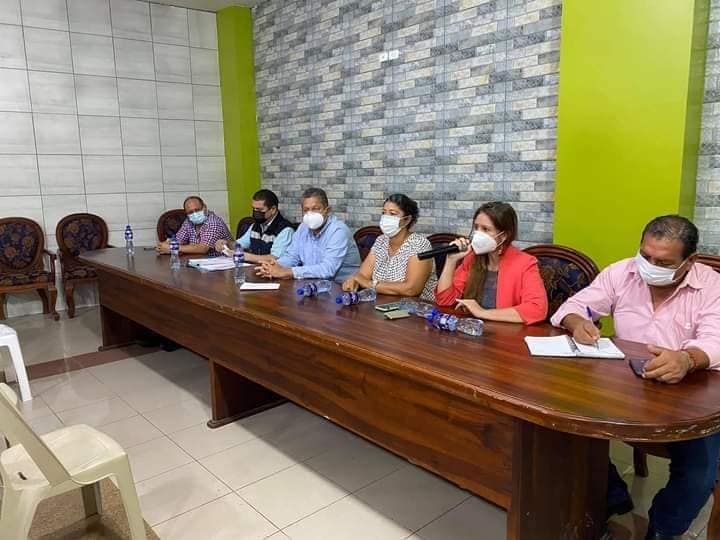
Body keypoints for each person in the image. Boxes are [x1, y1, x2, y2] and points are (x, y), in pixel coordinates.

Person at [550, 215, 720, 540]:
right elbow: (575, 306)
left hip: (690, 392)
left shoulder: (712, 286)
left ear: (690, 261)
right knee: (564, 428)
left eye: (663, 262)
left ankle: (663, 528)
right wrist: (577, 322)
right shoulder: (622, 272)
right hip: (623, 384)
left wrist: (687, 358)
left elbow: (716, 339)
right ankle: (615, 501)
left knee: (699, 473)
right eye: (646, 255)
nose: (650, 267)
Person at [434, 201, 548, 324]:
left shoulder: (525, 263)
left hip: (504, 332)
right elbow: (444, 300)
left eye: (485, 229)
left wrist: (482, 313)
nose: (478, 234)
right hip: (472, 329)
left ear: (504, 236)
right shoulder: (472, 257)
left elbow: (537, 309)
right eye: (476, 227)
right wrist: (451, 260)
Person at [342, 193, 436, 300]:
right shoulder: (381, 240)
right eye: (384, 213)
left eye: (392, 214)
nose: (386, 217)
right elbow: (362, 275)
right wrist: (354, 281)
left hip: (417, 307)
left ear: (407, 220)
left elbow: (411, 289)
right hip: (381, 304)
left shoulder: (419, 244)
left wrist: (370, 284)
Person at [256, 187, 361, 282]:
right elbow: (292, 256)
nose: (310, 214)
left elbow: (328, 269)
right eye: (306, 210)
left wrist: (288, 272)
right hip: (313, 284)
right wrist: (274, 266)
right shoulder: (303, 228)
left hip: (343, 288)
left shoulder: (338, 231)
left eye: (315, 209)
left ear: (327, 210)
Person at [215, 189, 294, 263]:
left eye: (260, 210)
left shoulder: (285, 230)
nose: (256, 213)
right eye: (254, 209)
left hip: (273, 271)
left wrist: (244, 256)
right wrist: (226, 244)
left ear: (273, 209)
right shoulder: (256, 225)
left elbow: (274, 258)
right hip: (255, 269)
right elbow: (240, 244)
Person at [156, 195, 231, 256]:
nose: (194, 214)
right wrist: (162, 247)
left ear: (204, 208)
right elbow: (178, 240)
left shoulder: (213, 222)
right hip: (198, 261)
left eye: (197, 210)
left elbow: (203, 248)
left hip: (220, 263)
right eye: (190, 212)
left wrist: (173, 248)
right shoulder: (189, 221)